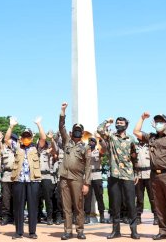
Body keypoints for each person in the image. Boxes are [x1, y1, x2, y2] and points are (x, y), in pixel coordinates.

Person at [133, 113, 166, 241]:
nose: (158, 124)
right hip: (154, 174)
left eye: (161, 121)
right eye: (156, 122)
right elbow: (136, 131)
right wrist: (142, 118)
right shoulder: (151, 137)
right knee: (158, 204)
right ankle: (163, 231)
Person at [4, 117, 46, 239]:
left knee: (33, 207)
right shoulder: (17, 147)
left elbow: (43, 138)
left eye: (28, 136)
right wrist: (11, 126)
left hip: (33, 181)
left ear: (32, 138)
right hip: (19, 181)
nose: (26, 138)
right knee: (18, 207)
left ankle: (32, 232)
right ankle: (18, 232)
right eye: (24, 136)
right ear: (21, 138)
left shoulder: (35, 148)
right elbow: (6, 139)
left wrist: (39, 124)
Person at [98, 117, 139, 239]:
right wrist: (107, 122)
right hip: (114, 175)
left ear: (126, 125)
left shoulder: (131, 139)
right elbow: (100, 130)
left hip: (128, 175)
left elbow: (134, 157)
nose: (119, 125)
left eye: (121, 123)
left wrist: (136, 173)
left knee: (131, 204)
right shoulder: (111, 137)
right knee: (115, 205)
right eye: (117, 123)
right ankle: (116, 231)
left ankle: (134, 231)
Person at [57, 102, 91, 240]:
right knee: (66, 207)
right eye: (75, 129)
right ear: (72, 132)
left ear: (82, 133)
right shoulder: (66, 141)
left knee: (78, 206)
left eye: (79, 130)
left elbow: (88, 166)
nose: (77, 131)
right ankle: (67, 231)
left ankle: (80, 230)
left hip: (77, 179)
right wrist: (63, 111)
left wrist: (86, 183)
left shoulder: (85, 147)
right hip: (64, 178)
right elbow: (61, 127)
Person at [134, 137, 157, 225]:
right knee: (139, 198)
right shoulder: (135, 147)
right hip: (139, 175)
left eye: (142, 138)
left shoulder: (150, 146)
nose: (140, 140)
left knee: (153, 197)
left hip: (149, 174)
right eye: (139, 138)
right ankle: (138, 216)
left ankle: (156, 216)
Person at [84, 136, 106, 224]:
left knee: (99, 196)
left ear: (95, 143)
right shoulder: (86, 152)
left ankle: (102, 216)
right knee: (87, 197)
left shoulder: (98, 151)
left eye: (93, 141)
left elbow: (104, 148)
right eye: (89, 142)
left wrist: (100, 139)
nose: (91, 143)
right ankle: (87, 216)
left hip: (97, 175)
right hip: (88, 176)